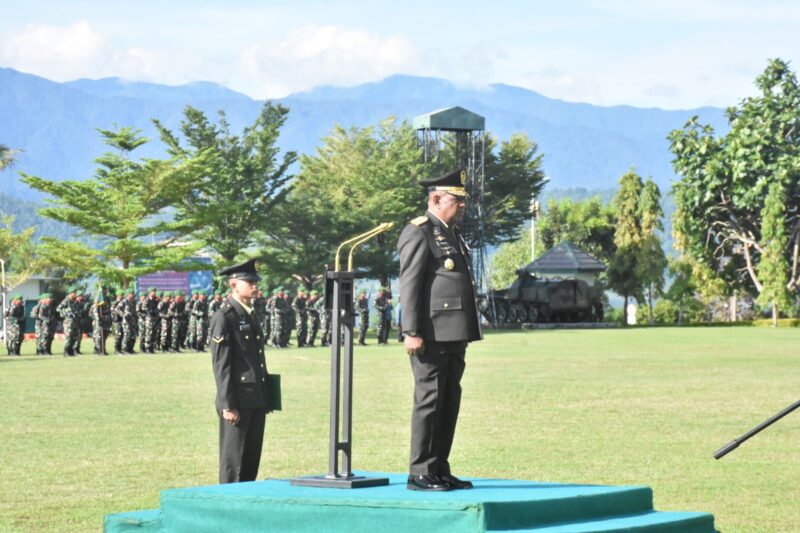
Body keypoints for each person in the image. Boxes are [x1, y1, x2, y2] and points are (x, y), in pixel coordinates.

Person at [398, 168, 482, 492]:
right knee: (429, 401)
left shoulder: (451, 233)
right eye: (456, 200)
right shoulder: (419, 232)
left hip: (454, 333)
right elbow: (410, 284)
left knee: (448, 402)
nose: (462, 205)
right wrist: (411, 331)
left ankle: (439, 468)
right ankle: (420, 471)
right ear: (436, 200)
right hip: (430, 335)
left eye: (462, 200)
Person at [210, 258, 272, 483]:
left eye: (256, 282)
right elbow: (222, 365)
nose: (255, 286)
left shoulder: (250, 313)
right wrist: (228, 405)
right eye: (250, 282)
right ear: (234, 285)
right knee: (234, 460)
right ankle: (229, 500)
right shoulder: (225, 316)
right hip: (237, 400)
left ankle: (246, 498)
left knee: (251, 459)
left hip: (255, 397)